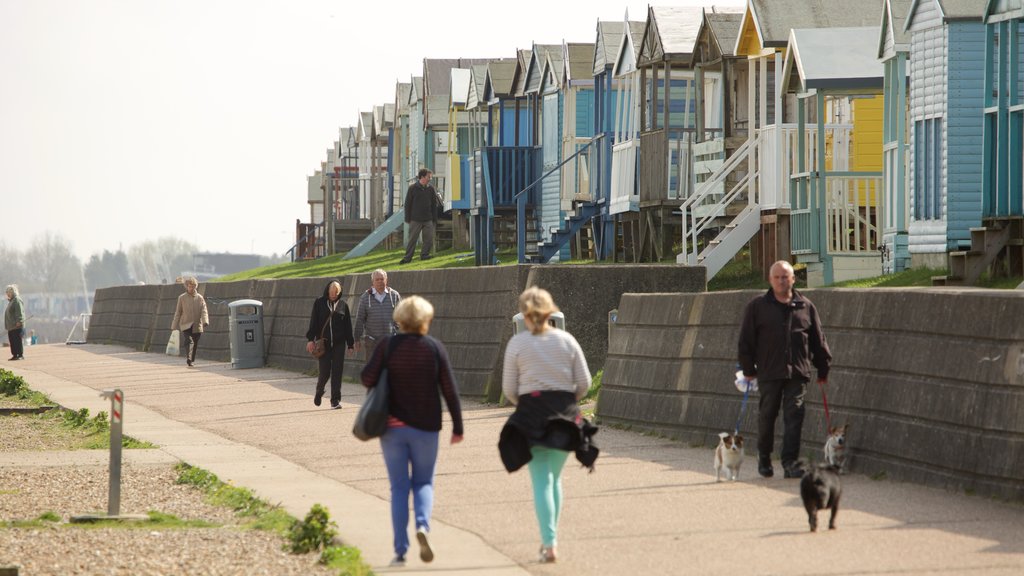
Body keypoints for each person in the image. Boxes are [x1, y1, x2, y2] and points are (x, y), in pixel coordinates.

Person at [360, 295, 463, 567]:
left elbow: (366, 378)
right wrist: (458, 426)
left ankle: (400, 550)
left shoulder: (387, 346)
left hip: (392, 428)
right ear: (425, 320)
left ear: (399, 319)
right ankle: (422, 526)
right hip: (427, 428)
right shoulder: (434, 348)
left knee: (398, 488)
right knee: (424, 483)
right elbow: (449, 389)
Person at [501, 287, 592, 564]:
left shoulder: (518, 344)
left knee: (541, 480)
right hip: (565, 417)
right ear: (550, 311)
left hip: (532, 418)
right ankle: (551, 539)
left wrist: (526, 402)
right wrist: (567, 399)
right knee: (555, 478)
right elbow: (585, 384)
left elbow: (509, 390)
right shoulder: (567, 340)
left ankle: (549, 543)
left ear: (525, 315)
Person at [738, 260, 832, 480]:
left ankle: (790, 462)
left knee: (794, 417)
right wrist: (748, 368)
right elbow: (746, 341)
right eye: (777, 277)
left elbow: (818, 340)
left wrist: (823, 369)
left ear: (793, 279)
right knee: (767, 416)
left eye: (785, 277)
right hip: (769, 372)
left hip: (797, 373)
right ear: (770, 280)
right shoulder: (757, 306)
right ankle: (764, 458)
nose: (781, 281)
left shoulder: (806, 306)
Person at [305, 279, 355, 409]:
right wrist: (310, 339)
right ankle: (319, 390)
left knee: (337, 372)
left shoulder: (343, 305)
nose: (333, 295)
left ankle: (335, 400)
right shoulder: (320, 303)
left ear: (339, 292)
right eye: (331, 292)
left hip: (339, 344)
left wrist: (350, 344)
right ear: (328, 290)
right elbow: (314, 322)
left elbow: (348, 326)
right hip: (324, 344)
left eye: (336, 292)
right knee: (325, 372)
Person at [353, 269, 401, 361]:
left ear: (386, 280)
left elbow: (401, 316)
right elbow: (360, 319)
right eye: (377, 279)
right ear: (373, 282)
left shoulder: (394, 295)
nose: (380, 281)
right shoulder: (365, 297)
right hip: (372, 342)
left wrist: (396, 328)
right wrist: (357, 339)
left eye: (382, 279)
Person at [400, 168, 441, 264]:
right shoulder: (412, 188)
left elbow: (433, 204)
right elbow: (407, 204)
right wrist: (407, 218)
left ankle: (424, 255)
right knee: (412, 239)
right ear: (422, 177)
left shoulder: (431, 189)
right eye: (428, 177)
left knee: (429, 238)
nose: (430, 179)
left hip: (428, 219)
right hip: (415, 219)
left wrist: (434, 218)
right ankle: (407, 258)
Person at [170, 277, 210, 368]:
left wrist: (205, 321)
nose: (192, 288)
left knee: (195, 343)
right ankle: (189, 358)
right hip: (185, 324)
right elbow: (178, 312)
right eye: (190, 286)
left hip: (197, 325)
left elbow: (204, 310)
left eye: (194, 286)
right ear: (186, 286)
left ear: (196, 286)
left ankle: (191, 360)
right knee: (189, 340)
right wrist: (174, 325)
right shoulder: (182, 298)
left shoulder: (200, 298)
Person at [4, 285, 26, 361]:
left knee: (17, 340)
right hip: (11, 326)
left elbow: (19, 311)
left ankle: (20, 354)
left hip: (17, 326)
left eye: (9, 292)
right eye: (7, 292)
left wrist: (19, 321)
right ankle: (15, 354)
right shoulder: (11, 301)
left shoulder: (17, 300)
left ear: (13, 292)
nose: (7, 294)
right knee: (12, 341)